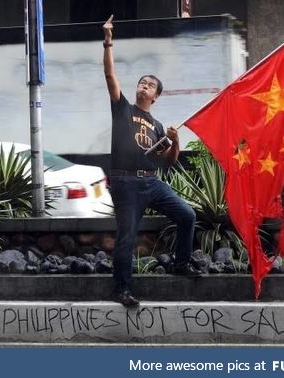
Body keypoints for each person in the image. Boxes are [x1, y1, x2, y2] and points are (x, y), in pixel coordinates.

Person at [102, 15, 202, 307]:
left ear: (156, 96)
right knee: (127, 236)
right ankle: (122, 289)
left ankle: (181, 263)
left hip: (151, 181)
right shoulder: (122, 109)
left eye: (149, 85)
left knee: (187, 215)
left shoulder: (157, 125)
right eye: (141, 83)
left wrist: (175, 140)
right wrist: (108, 42)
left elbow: (167, 162)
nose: (143, 86)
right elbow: (110, 77)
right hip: (126, 182)